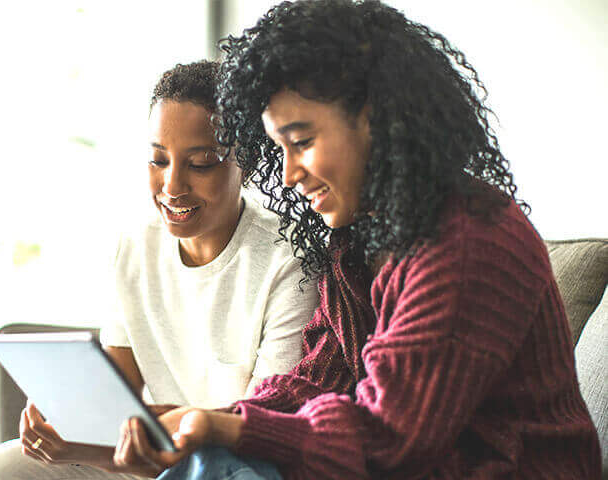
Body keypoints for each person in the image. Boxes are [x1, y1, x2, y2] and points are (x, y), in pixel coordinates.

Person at [112, 1, 602, 479]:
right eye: (280, 148)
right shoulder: (360, 243)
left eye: (301, 142)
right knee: (213, 461)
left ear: (378, 119)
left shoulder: (470, 243)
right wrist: (224, 421)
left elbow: (388, 440)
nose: (286, 176)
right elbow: (315, 380)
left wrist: (230, 430)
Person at [0, 61, 319, 479]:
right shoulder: (135, 245)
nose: (172, 185)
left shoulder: (290, 259)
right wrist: (69, 422)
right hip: (148, 458)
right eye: (158, 160)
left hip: (230, 465)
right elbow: (118, 397)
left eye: (201, 162)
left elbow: (259, 428)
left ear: (244, 159)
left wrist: (134, 441)